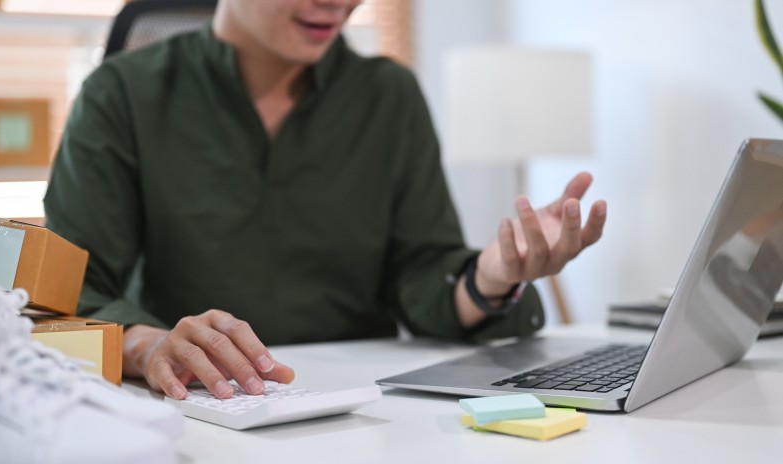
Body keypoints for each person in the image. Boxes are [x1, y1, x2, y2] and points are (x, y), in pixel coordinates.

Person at [43, 0, 606, 401]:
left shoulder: (389, 96)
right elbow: (67, 297)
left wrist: (490, 276)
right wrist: (150, 346)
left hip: (356, 412)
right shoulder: (120, 95)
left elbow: (420, 274)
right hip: (194, 410)